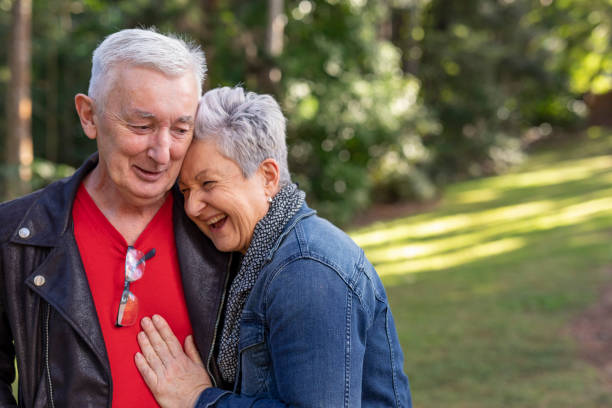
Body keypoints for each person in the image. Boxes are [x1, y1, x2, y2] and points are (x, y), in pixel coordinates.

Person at [134, 87, 412, 407]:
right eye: (185, 190)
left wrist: (200, 399)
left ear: (267, 177)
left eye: (208, 183)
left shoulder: (306, 271)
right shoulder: (256, 257)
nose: (193, 207)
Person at [0, 28, 234, 407]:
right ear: (88, 116)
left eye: (180, 129)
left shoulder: (222, 230)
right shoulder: (15, 236)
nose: (162, 153)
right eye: (141, 126)